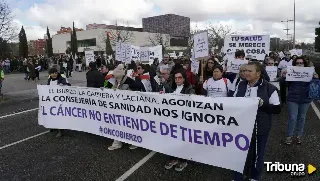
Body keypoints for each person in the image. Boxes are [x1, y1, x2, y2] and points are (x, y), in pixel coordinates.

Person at [232, 62, 281, 181]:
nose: (246, 73)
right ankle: (238, 176)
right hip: (242, 126)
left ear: (258, 73)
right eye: (245, 71)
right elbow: (233, 101)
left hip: (260, 126)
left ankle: (254, 177)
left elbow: (277, 109)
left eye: (249, 71)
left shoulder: (270, 88)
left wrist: (263, 105)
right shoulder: (241, 84)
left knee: (258, 154)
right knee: (240, 152)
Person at [163, 68, 195, 171]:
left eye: (180, 78)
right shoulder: (171, 88)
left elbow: (191, 102)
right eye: (176, 78)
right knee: (172, 139)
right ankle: (173, 158)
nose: (177, 80)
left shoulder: (189, 89)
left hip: (183, 120)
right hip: (172, 118)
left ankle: (183, 160)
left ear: (184, 79)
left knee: (182, 140)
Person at [108, 64, 145, 151]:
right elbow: (110, 88)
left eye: (117, 78)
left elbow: (140, 90)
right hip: (119, 108)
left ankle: (135, 141)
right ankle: (117, 142)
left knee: (131, 125)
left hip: (130, 109)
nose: (116, 79)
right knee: (117, 124)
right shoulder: (116, 82)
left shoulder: (130, 81)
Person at [284, 57, 319, 145]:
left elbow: (315, 85)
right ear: (295, 64)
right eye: (297, 63)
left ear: (304, 64)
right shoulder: (291, 72)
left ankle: (299, 136)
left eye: (301, 63)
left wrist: (315, 78)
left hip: (305, 98)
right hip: (293, 98)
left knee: (302, 117)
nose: (299, 64)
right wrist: (284, 77)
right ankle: (289, 136)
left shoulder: (309, 73)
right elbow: (284, 83)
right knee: (292, 117)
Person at [48, 67, 69, 137]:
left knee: (59, 115)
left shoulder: (61, 78)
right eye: (52, 73)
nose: (54, 74)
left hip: (60, 101)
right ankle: (53, 126)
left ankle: (61, 131)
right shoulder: (49, 80)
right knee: (52, 114)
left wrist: (63, 85)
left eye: (55, 73)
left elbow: (68, 85)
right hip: (52, 101)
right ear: (50, 74)